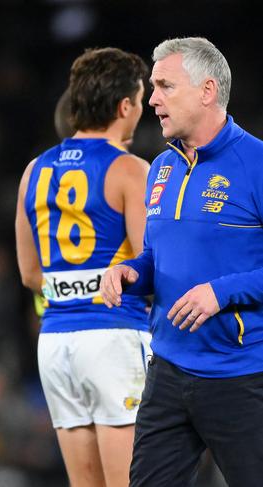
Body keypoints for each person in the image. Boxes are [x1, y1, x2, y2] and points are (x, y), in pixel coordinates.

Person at [100, 37, 263, 486]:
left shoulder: (257, 163)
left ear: (206, 91)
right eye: (153, 87)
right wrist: (132, 273)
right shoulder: (161, 169)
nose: (151, 100)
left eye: (165, 86)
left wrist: (222, 292)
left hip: (242, 376)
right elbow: (156, 255)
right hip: (168, 373)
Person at [15, 47, 151, 487]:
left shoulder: (33, 170)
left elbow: (30, 274)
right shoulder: (131, 169)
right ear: (125, 105)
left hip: (56, 343)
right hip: (113, 336)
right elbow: (148, 265)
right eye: (142, 97)